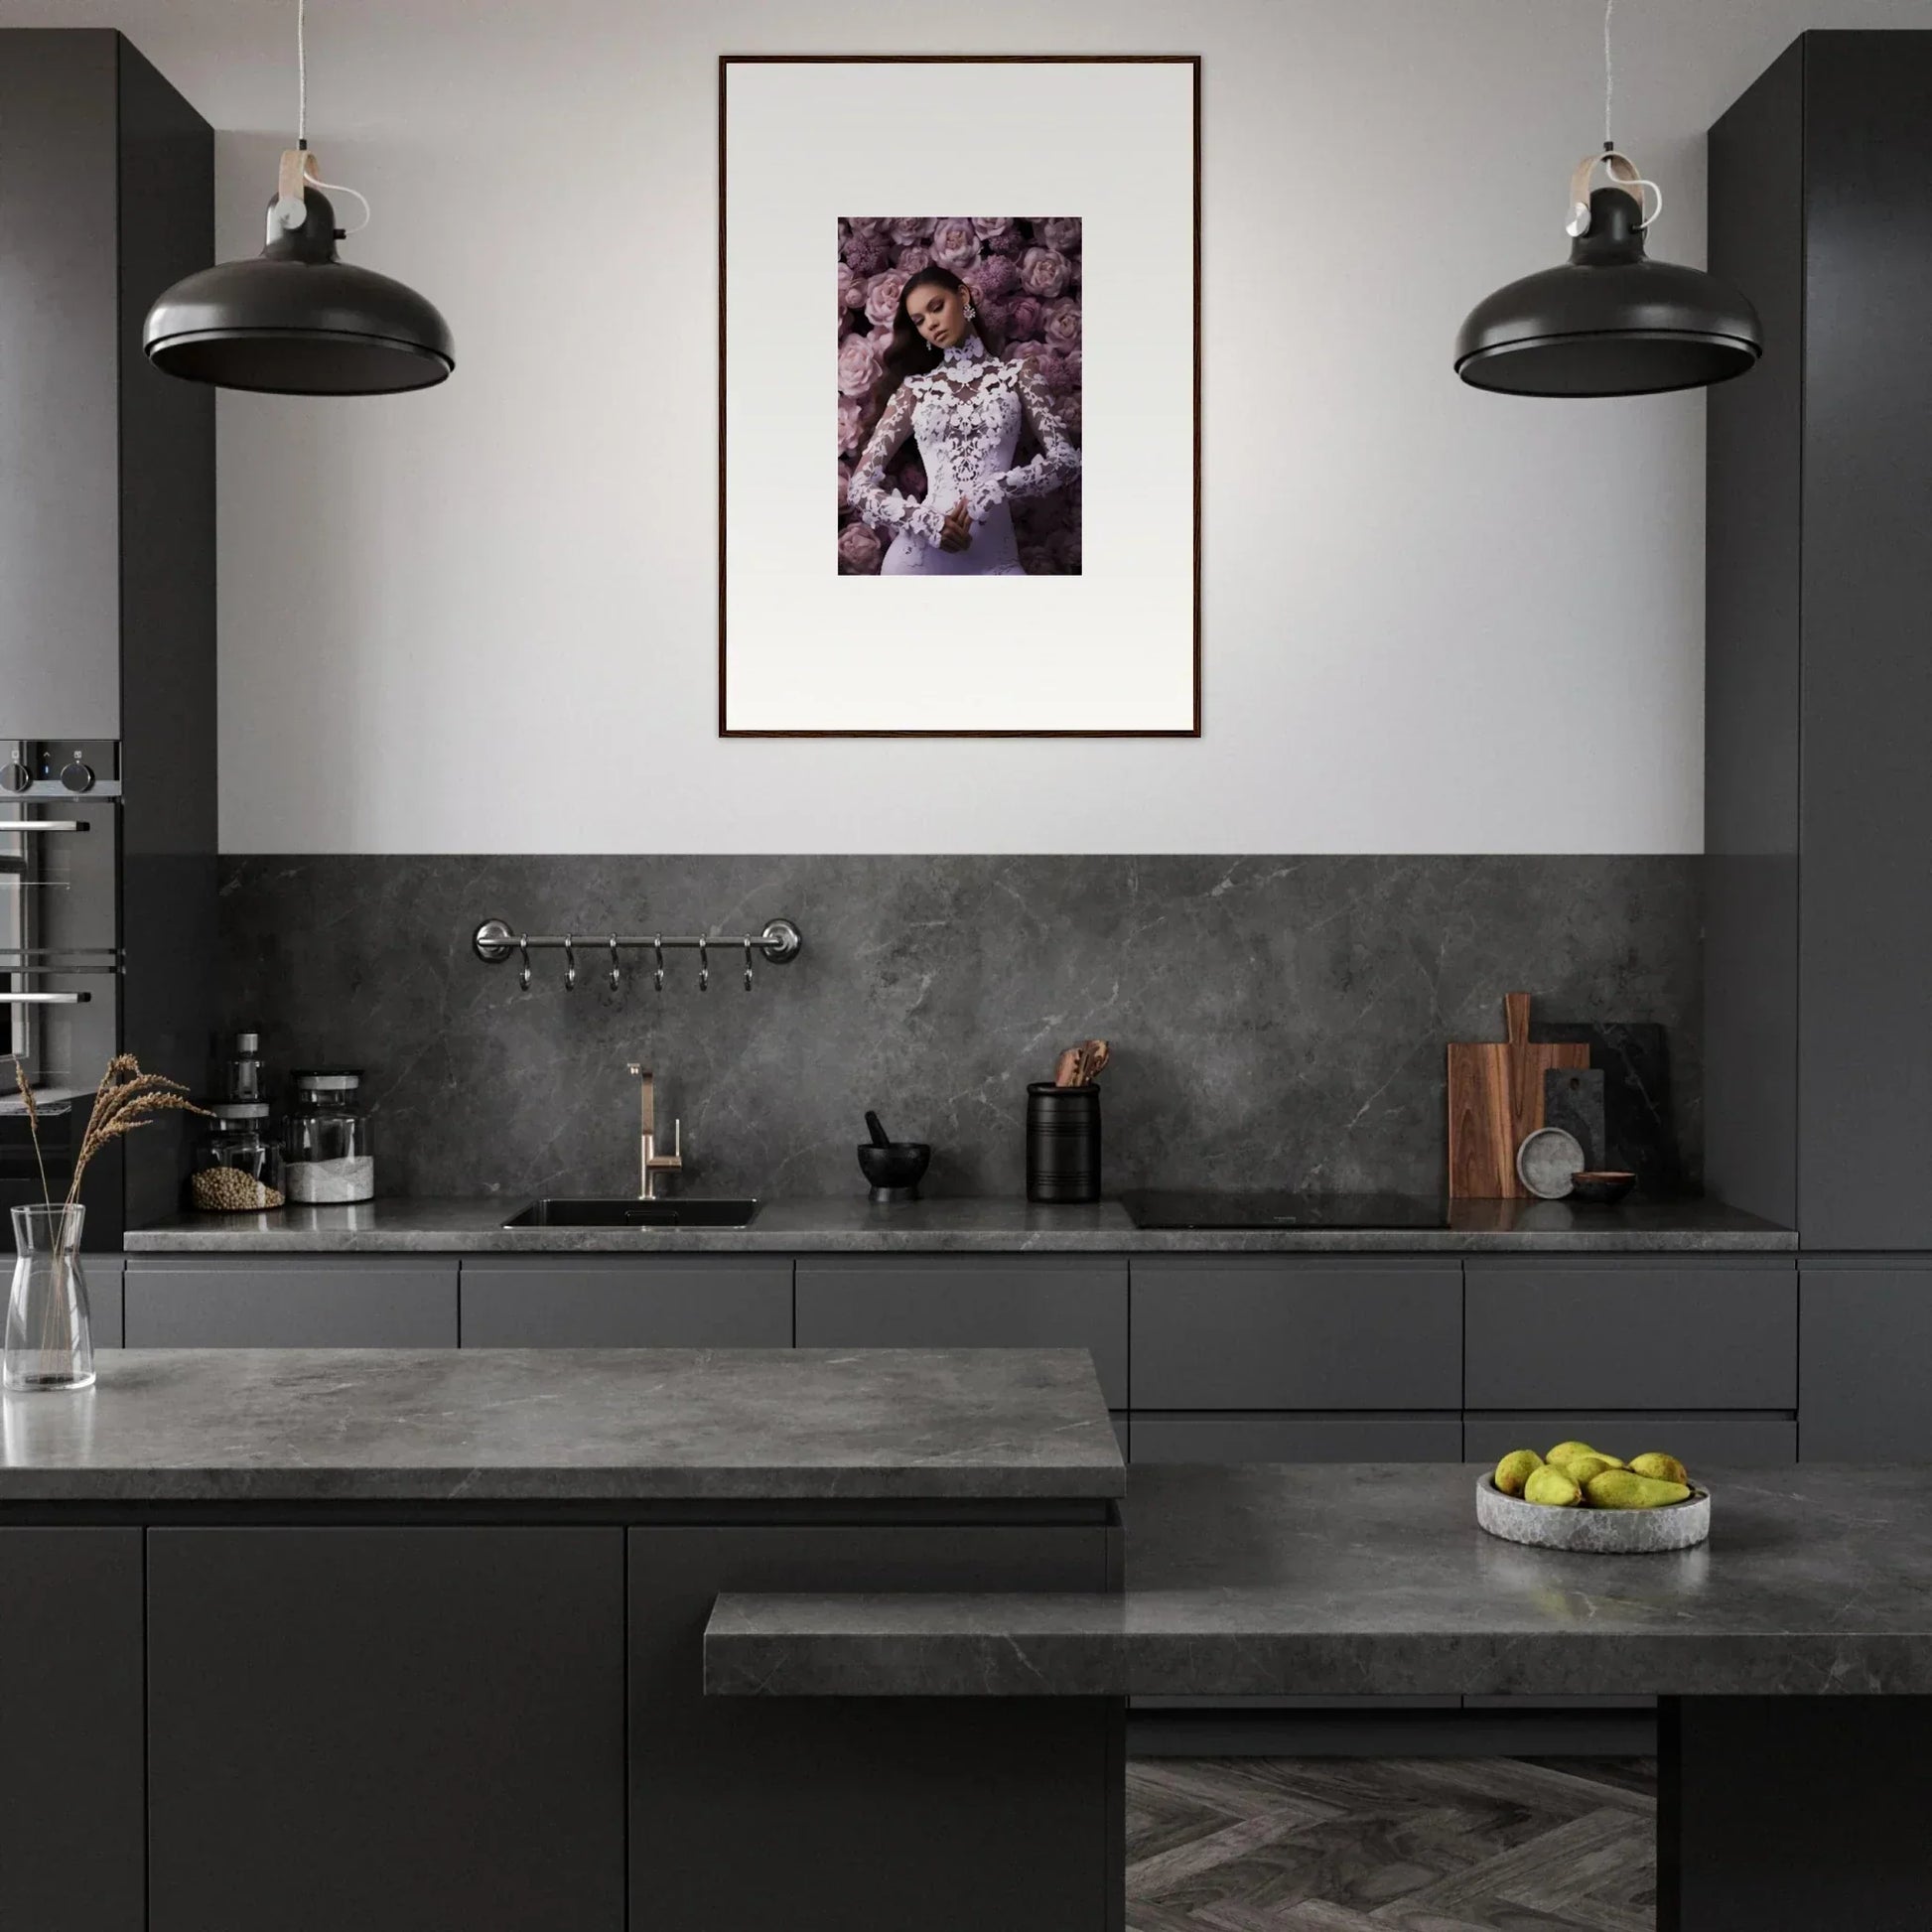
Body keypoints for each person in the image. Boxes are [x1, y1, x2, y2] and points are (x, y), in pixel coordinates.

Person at [848, 265, 1080, 576]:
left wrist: (995, 487)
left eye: (936, 307)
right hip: (918, 562)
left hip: (995, 561)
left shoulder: (1017, 375)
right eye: (920, 320)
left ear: (962, 296)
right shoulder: (915, 390)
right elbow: (858, 487)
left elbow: (1066, 461)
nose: (931, 323)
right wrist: (926, 521)